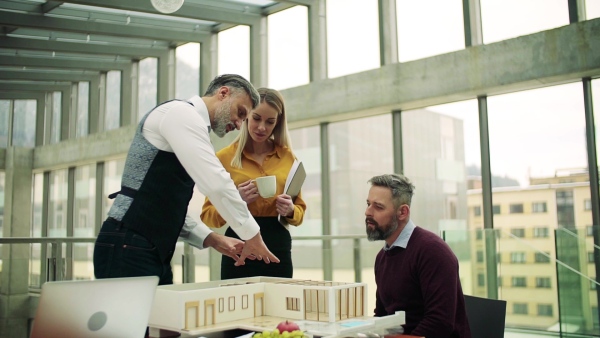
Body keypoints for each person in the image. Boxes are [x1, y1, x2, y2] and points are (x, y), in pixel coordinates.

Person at [93, 74, 279, 286]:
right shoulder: (181, 114)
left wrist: (212, 238)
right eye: (240, 113)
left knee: (156, 320)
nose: (238, 125)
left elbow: (164, 204)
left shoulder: (190, 125)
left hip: (148, 249)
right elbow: (217, 183)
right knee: (132, 320)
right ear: (223, 93)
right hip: (128, 245)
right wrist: (252, 235)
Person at [201, 88, 306, 279]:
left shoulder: (288, 158)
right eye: (256, 118)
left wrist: (290, 210)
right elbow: (208, 216)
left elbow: (299, 214)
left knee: (279, 306)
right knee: (235, 306)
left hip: (278, 247)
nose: (262, 127)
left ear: (278, 123)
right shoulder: (224, 158)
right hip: (239, 245)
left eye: (270, 122)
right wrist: (236, 200)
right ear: (246, 115)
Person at [365, 173, 471, 338]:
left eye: (378, 207)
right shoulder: (382, 257)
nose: (367, 212)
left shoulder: (433, 252)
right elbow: (382, 317)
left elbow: (439, 325)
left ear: (402, 212)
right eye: (368, 204)